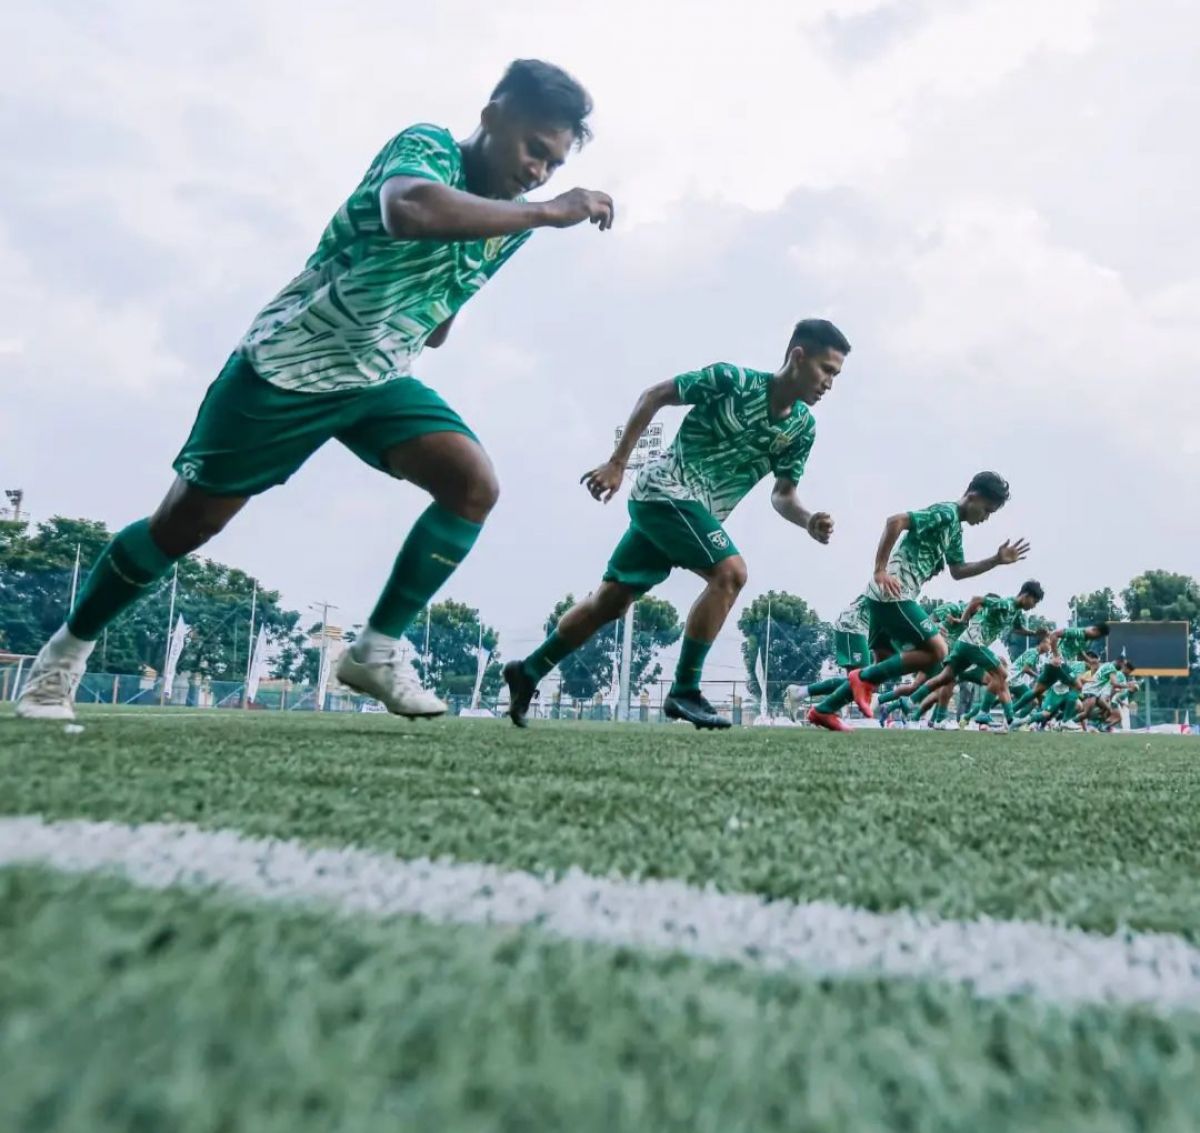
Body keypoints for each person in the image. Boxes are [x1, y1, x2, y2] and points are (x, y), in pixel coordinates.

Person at [17, 60, 614, 723]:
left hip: (377, 375)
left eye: (554, 166)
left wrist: (438, 299)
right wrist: (548, 211)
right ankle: (61, 658)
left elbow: (445, 311)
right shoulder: (428, 148)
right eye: (535, 149)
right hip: (289, 366)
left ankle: (375, 650)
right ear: (493, 116)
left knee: (472, 484)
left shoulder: (513, 222)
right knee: (183, 527)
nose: (539, 172)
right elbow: (407, 209)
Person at [505, 319, 852, 729]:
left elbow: (783, 494)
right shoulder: (733, 381)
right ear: (798, 356)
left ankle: (527, 671)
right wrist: (617, 463)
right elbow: (655, 395)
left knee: (609, 603)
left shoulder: (801, 428)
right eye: (826, 370)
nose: (830, 382)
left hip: (688, 517)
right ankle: (685, 690)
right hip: (664, 491)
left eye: (836, 375)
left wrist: (808, 519)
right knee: (730, 573)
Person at [807, 472, 1031, 732]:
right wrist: (880, 570)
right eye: (987, 510)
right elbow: (896, 521)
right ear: (974, 496)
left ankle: (824, 710)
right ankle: (861, 679)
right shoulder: (946, 512)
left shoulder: (955, 530)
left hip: (893, 597)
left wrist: (995, 560)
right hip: (891, 593)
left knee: (900, 665)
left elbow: (958, 570)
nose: (986, 518)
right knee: (938, 651)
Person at [899, 582, 1046, 732]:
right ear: (1026, 595)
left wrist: (1034, 633)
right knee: (1001, 673)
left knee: (945, 677)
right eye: (1034, 602)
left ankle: (910, 701)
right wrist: (963, 620)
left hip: (964, 644)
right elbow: (976, 599)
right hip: (974, 642)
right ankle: (993, 714)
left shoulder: (1015, 612)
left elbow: (1018, 629)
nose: (1033, 606)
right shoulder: (1005, 604)